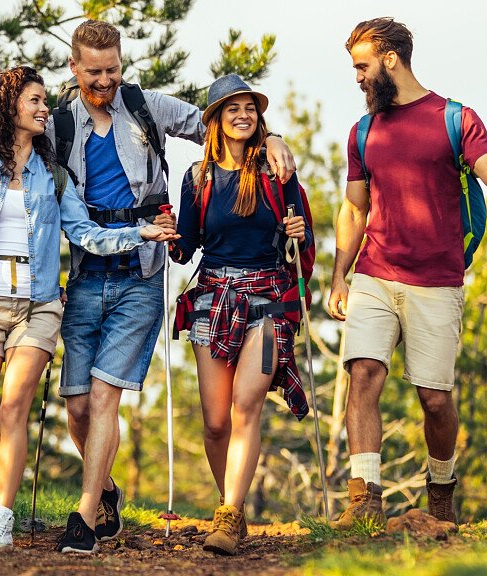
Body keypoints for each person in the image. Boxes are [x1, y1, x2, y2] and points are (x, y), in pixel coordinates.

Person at [50, 19, 297, 554]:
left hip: (142, 269)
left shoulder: (146, 106)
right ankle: (109, 496)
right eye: (93, 72)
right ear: (74, 69)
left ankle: (85, 518)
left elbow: (220, 123)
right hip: (88, 268)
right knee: (77, 409)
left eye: (113, 69)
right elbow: (20, 162)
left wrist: (272, 133)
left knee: (105, 393)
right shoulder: (57, 125)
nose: (105, 80)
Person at [0, 66, 177, 549]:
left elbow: (85, 234)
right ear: (8, 106)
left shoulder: (55, 177)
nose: (45, 110)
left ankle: (1, 519)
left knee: (14, 405)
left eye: (44, 101)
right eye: (35, 101)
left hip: (37, 307)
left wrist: (138, 233)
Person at [329, 17, 487, 528]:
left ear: (390, 60)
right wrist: (339, 275)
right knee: (363, 373)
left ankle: (440, 489)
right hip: (375, 271)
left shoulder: (455, 118)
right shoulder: (362, 131)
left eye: (362, 66)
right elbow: (353, 209)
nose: (358, 77)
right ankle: (364, 498)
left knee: (434, 399)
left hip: (437, 280)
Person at [169, 74, 311, 555]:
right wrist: (171, 235)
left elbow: (302, 239)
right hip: (213, 295)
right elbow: (186, 249)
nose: (243, 115)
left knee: (247, 404)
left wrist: (298, 230)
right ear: (214, 120)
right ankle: (232, 501)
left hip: (268, 297)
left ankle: (227, 516)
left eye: (250, 108)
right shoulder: (197, 178)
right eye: (232, 109)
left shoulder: (277, 170)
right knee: (214, 421)